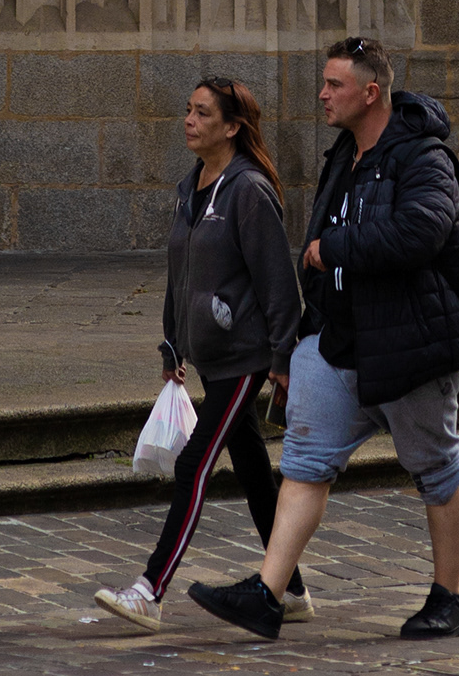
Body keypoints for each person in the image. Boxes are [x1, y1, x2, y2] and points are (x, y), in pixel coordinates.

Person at [189, 36, 459, 645]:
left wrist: (336, 248)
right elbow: (315, 251)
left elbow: (421, 232)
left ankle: (448, 597)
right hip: (334, 340)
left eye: (333, 85)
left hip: (407, 343)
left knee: (435, 465)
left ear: (369, 92)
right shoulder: (342, 155)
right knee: (304, 460)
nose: (321, 94)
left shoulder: (423, 156)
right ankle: (269, 593)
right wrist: (295, 343)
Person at [93, 76, 311, 636]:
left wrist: (282, 359)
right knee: (256, 472)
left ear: (233, 127)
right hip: (208, 355)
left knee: (194, 463)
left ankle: (149, 590)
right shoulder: (189, 187)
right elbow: (179, 274)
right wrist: (172, 342)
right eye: (187, 110)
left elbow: (279, 286)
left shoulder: (248, 191)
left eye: (202, 114)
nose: (189, 121)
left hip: (245, 356)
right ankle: (293, 590)